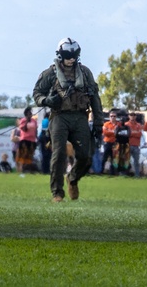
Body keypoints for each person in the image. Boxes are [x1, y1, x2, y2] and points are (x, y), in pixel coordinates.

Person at [32, 38, 103, 202]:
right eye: (67, 55)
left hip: (80, 117)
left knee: (86, 156)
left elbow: (95, 99)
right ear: (60, 55)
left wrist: (99, 121)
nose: (71, 58)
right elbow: (37, 93)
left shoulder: (85, 73)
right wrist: (47, 101)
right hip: (59, 117)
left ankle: (72, 178)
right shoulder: (50, 74)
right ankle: (57, 192)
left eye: (74, 55)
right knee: (59, 154)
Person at [16, 107, 38, 175]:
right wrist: (27, 121)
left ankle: (28, 169)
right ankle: (21, 170)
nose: (30, 114)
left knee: (30, 155)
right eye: (29, 113)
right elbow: (24, 129)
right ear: (26, 114)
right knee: (23, 154)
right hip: (24, 140)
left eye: (31, 113)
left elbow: (35, 130)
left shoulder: (34, 121)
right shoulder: (23, 120)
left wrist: (36, 137)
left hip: (32, 140)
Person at [100, 111, 118, 175]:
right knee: (104, 158)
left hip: (115, 143)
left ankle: (112, 172)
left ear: (116, 117)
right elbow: (105, 133)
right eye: (111, 116)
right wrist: (114, 132)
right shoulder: (106, 124)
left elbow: (118, 134)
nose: (113, 117)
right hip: (107, 143)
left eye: (114, 116)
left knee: (114, 159)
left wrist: (111, 132)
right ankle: (101, 171)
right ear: (109, 117)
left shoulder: (118, 124)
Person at [128, 113, 144, 177]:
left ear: (135, 117)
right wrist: (134, 133)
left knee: (136, 161)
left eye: (134, 115)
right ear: (129, 116)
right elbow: (127, 134)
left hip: (136, 145)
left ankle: (137, 175)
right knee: (126, 161)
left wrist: (132, 133)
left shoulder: (138, 125)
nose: (132, 116)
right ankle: (125, 173)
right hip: (128, 145)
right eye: (131, 115)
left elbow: (139, 134)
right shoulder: (126, 124)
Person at [38, 110, 52, 174]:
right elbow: (47, 132)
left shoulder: (44, 120)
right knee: (47, 154)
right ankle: (45, 170)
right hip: (45, 139)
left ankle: (45, 170)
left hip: (43, 139)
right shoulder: (47, 121)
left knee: (45, 155)